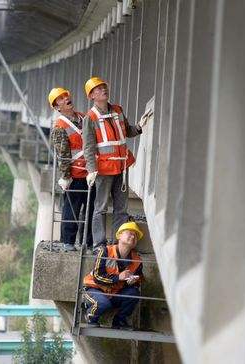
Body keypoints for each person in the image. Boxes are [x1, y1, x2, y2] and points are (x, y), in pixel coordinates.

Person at [82, 77, 152, 249]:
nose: (103, 90)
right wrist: (91, 170)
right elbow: (89, 147)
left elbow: (127, 131)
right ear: (91, 96)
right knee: (100, 208)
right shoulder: (90, 118)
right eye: (97, 89)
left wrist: (139, 127)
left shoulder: (118, 110)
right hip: (104, 170)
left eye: (103, 87)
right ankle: (99, 243)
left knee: (121, 208)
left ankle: (116, 241)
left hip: (121, 166)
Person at [48, 87, 96, 251]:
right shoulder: (59, 126)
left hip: (91, 172)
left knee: (92, 209)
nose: (65, 99)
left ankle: (89, 242)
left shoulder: (84, 117)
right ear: (57, 107)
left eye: (65, 96)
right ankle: (68, 241)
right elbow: (62, 154)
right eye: (60, 99)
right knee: (72, 208)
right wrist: (66, 176)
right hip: (75, 175)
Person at [82, 221, 144, 330]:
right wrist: (118, 277)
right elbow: (97, 277)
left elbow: (138, 279)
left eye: (136, 235)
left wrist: (133, 282)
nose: (133, 236)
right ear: (119, 235)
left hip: (114, 293)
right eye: (130, 233)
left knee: (134, 293)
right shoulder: (105, 251)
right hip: (93, 289)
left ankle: (119, 321)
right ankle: (90, 317)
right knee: (103, 303)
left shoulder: (137, 260)